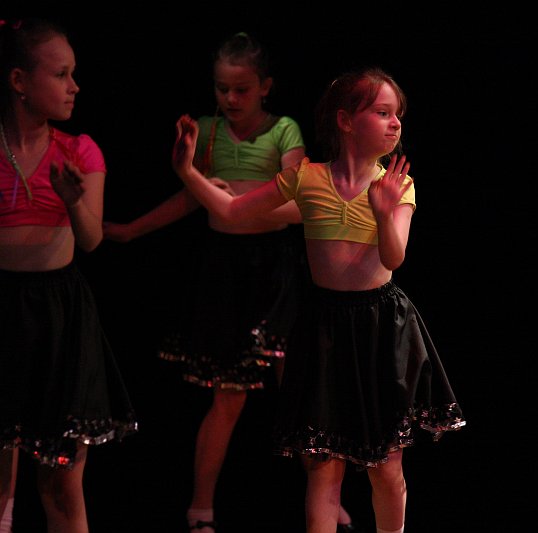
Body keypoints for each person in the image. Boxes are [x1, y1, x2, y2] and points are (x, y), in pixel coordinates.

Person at [171, 66, 466, 533]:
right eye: (382, 112)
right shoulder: (306, 178)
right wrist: (187, 171)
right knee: (324, 466)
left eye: (398, 115)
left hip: (379, 328)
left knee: (386, 467)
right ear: (346, 121)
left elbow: (394, 257)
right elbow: (230, 209)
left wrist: (383, 212)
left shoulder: (397, 185)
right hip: (325, 327)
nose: (395, 123)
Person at [102, 32, 360, 533]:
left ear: (265, 86)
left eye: (241, 89)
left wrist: (232, 195)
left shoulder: (283, 130)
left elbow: (297, 196)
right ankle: (201, 506)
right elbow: (191, 197)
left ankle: (328, 502)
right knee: (228, 396)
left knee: (297, 388)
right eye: (222, 89)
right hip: (226, 271)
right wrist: (133, 230)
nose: (230, 99)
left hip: (277, 270)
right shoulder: (206, 131)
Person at [0, 17, 137, 532]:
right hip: (4, 309)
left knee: (60, 480)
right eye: (60, 74)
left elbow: (92, 239)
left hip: (59, 316)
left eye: (73, 74)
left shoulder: (79, 150)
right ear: (19, 81)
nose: (74, 86)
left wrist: (73, 200)